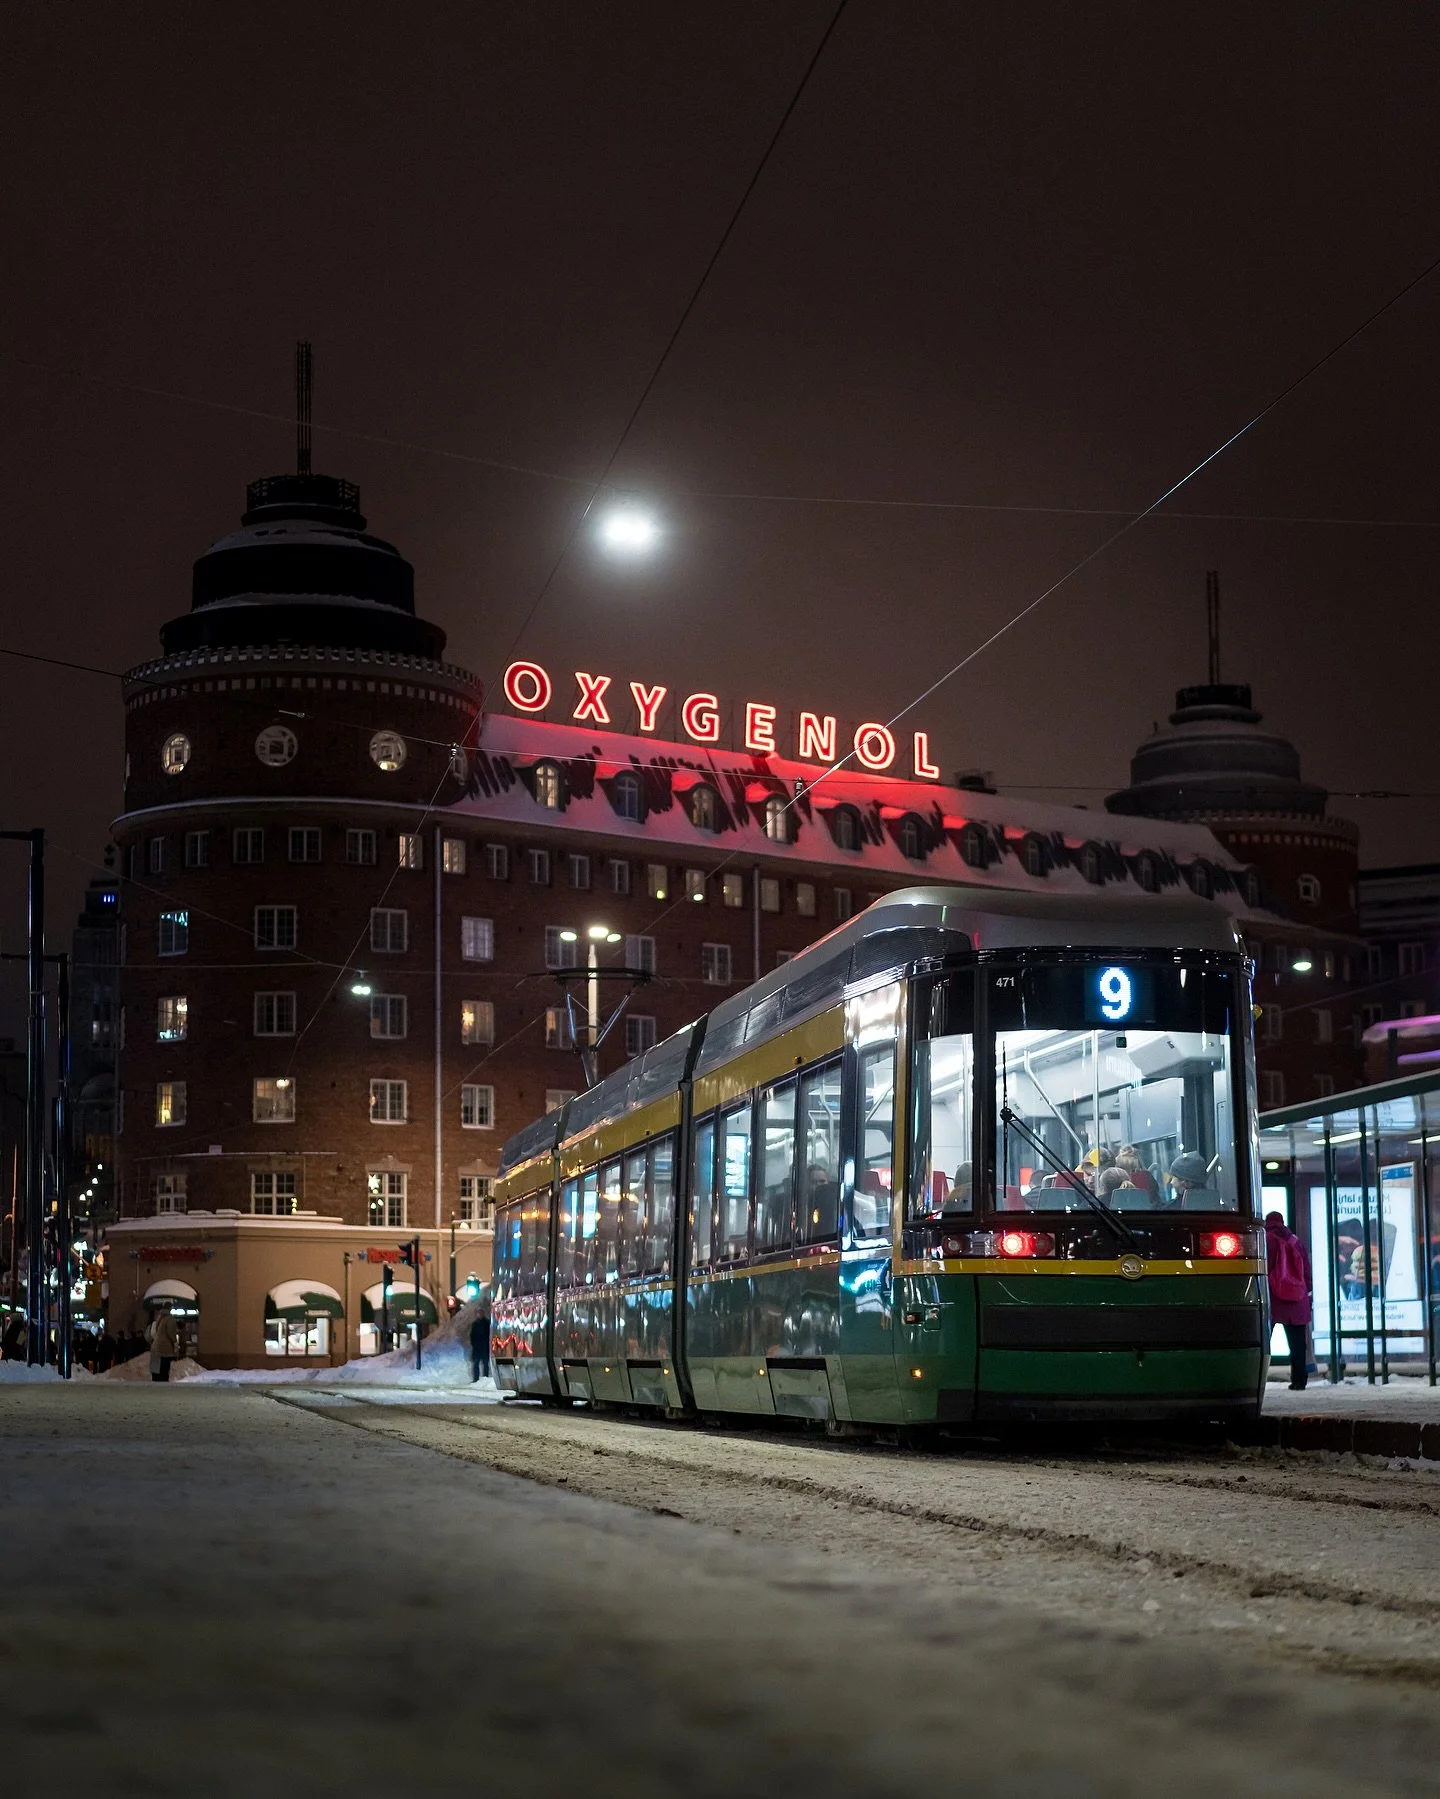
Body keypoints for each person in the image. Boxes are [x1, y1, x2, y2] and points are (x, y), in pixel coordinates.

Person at [1264, 1209, 1313, 1390]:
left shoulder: (1266, 1240)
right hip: (1296, 1299)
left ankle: (1257, 1379)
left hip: (1274, 1297)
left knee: (1263, 1341)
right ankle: (1299, 1381)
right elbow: (1306, 1271)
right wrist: (1306, 1291)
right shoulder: (1295, 1241)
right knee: (1297, 1344)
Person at [147, 1308, 181, 1383]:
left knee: (157, 1367)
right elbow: (171, 1333)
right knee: (164, 1367)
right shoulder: (169, 1319)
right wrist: (175, 1343)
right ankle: (163, 1382)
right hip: (165, 1347)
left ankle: (156, 1380)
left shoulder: (157, 1321)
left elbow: (150, 1335)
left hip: (156, 1346)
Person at [468, 1290, 492, 1383]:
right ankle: (476, 1379)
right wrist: (474, 1344)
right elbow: (472, 1335)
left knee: (485, 1364)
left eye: (481, 1313)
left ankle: (485, 1378)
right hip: (478, 1347)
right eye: (479, 1313)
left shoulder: (486, 1323)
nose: (480, 1314)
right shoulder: (475, 1324)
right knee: (477, 1364)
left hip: (484, 1346)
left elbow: (489, 1335)